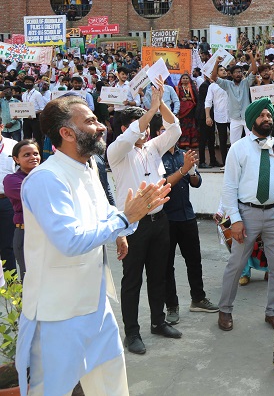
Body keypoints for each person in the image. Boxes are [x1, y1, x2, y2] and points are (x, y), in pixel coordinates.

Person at [15, 95, 171, 395]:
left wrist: (127, 220)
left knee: (110, 385)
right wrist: (124, 220)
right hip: (57, 314)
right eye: (90, 121)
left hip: (95, 305)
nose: (100, 126)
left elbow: (106, 212)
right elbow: (70, 241)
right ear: (67, 133)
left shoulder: (90, 167)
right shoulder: (45, 179)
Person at [107, 84, 183, 355]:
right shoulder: (117, 152)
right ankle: (132, 333)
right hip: (132, 225)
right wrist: (150, 109)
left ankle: (158, 322)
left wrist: (160, 104)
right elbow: (132, 135)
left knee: (158, 275)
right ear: (123, 129)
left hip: (158, 220)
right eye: (141, 124)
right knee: (132, 280)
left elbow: (175, 130)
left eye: (150, 123)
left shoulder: (152, 148)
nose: (147, 129)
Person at [217, 98, 274, 333]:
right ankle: (225, 309)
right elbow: (229, 187)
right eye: (262, 115)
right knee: (236, 264)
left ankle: (273, 312)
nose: (267, 118)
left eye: (269, 115)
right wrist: (234, 219)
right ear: (251, 120)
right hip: (247, 213)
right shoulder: (239, 148)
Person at [160, 125, 218, 325]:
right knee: (166, 265)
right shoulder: (154, 158)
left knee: (194, 260)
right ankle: (172, 306)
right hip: (167, 219)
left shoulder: (184, 154)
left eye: (173, 132)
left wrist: (192, 171)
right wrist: (183, 169)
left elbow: (196, 183)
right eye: (164, 131)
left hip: (187, 217)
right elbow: (162, 186)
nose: (170, 136)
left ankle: (198, 298)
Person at [3, 139, 41, 280]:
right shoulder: (11, 180)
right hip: (26, 234)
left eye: (35, 153)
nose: (33, 157)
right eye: (26, 155)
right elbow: (39, 198)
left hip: (48, 234)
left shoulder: (47, 175)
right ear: (16, 159)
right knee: (30, 279)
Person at [0, 118, 18, 273]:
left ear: (1, 127)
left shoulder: (13, 146)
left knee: (7, 246)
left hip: (6, 201)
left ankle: (13, 291)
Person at [175, 73, 198, 149]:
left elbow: (196, 98)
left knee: (192, 125)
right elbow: (175, 99)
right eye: (183, 78)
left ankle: (192, 143)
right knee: (183, 126)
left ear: (189, 79)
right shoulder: (177, 88)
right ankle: (183, 143)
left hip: (191, 110)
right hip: (182, 111)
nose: (185, 80)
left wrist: (189, 99)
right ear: (181, 80)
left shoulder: (192, 88)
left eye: (186, 78)